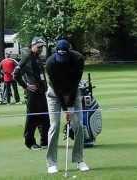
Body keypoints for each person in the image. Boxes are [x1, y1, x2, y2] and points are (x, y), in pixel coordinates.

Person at [45, 39, 89, 173]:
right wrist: (66, 109)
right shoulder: (50, 63)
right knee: (55, 126)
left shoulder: (78, 59)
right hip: (54, 95)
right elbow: (57, 88)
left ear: (69, 52)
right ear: (56, 52)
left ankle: (79, 160)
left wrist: (70, 107)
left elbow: (75, 84)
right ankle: (51, 163)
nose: (62, 59)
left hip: (73, 93)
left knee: (79, 126)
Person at [13, 37, 50, 150]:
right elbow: (16, 73)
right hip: (33, 93)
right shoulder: (27, 57)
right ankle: (30, 142)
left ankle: (45, 142)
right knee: (32, 118)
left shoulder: (37, 57)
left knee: (44, 117)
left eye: (42, 47)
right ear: (33, 46)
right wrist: (26, 86)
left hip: (41, 91)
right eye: (38, 47)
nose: (40, 49)